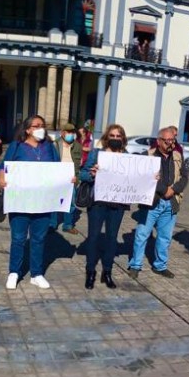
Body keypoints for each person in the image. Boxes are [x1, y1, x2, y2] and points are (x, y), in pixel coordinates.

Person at [0, 114, 70, 290]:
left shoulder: (50, 147)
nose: (41, 128)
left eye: (43, 125)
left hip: (43, 202)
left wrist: (69, 178)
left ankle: (36, 274)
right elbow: (4, 166)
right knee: (18, 238)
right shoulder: (17, 146)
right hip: (20, 201)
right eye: (37, 125)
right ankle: (14, 272)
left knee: (38, 238)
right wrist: (1, 178)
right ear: (28, 129)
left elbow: (57, 169)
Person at [127, 127, 188, 279]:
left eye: (171, 140)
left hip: (171, 203)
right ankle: (135, 265)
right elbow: (141, 175)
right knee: (142, 235)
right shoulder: (147, 156)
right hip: (151, 203)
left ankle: (160, 266)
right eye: (166, 140)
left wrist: (173, 190)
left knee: (165, 237)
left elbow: (185, 177)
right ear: (158, 141)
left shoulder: (177, 156)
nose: (169, 143)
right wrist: (163, 189)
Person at [79, 123, 130, 290]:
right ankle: (90, 271)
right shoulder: (96, 154)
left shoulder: (128, 157)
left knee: (111, 238)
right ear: (106, 138)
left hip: (117, 203)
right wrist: (92, 174)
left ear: (123, 139)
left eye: (118, 136)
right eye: (112, 136)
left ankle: (107, 271)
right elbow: (83, 173)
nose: (115, 138)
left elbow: (136, 177)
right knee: (93, 237)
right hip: (98, 202)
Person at [52, 122, 82, 234]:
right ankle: (52, 224)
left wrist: (77, 179)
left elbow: (78, 164)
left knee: (71, 203)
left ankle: (68, 225)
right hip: (57, 178)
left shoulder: (78, 146)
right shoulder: (55, 145)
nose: (70, 134)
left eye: (72, 132)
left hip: (71, 179)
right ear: (62, 133)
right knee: (54, 202)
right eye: (68, 132)